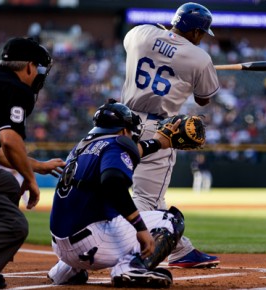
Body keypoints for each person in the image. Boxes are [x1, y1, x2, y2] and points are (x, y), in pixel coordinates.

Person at [121, 2, 220, 268]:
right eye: (202, 33)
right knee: (145, 199)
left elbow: (134, 49)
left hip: (120, 123)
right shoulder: (200, 58)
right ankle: (128, 254)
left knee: (150, 195)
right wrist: (187, 69)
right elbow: (203, 100)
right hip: (157, 129)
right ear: (197, 32)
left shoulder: (141, 33)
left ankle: (178, 250)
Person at [47, 99, 185, 288]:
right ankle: (130, 267)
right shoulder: (116, 144)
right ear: (123, 131)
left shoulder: (83, 146)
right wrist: (140, 228)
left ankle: (66, 270)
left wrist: (160, 143)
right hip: (92, 243)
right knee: (171, 220)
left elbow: (132, 149)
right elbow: (113, 183)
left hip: (61, 246)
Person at [0, 37, 60, 290]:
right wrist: (30, 179)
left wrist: (35, 166)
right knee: (13, 224)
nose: (40, 76)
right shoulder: (18, 89)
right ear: (29, 67)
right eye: (40, 69)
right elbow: (10, 140)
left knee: (5, 183)